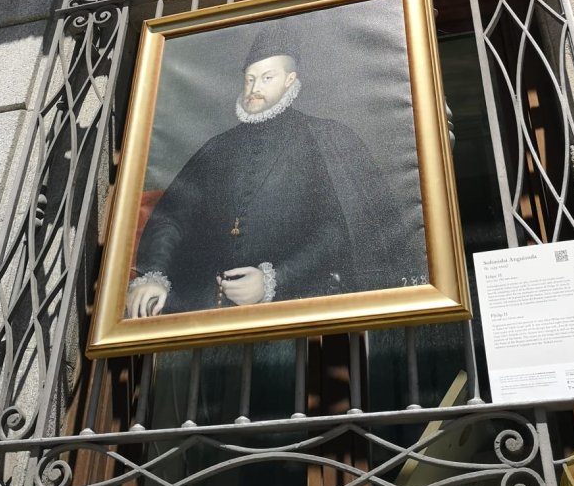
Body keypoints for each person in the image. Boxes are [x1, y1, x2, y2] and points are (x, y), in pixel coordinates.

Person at [126, 23, 411, 317]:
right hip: (207, 305)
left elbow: (339, 230)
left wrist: (275, 279)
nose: (254, 89)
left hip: (295, 309)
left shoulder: (325, 138)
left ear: (289, 80)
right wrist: (154, 276)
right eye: (250, 79)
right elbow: (172, 217)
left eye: (267, 77)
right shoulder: (218, 147)